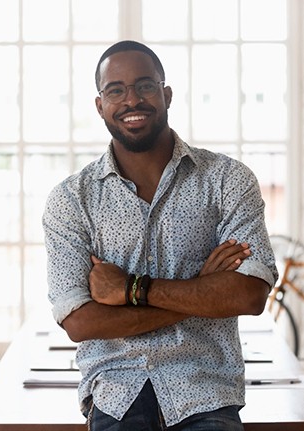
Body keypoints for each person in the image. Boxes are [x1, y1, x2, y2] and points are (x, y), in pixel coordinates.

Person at [43, 40, 278, 431]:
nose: (132, 99)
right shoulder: (72, 200)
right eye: (115, 90)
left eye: (145, 85)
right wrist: (203, 290)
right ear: (100, 105)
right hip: (116, 393)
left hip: (206, 393)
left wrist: (132, 290)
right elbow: (80, 322)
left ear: (166, 94)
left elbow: (249, 295)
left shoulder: (226, 180)